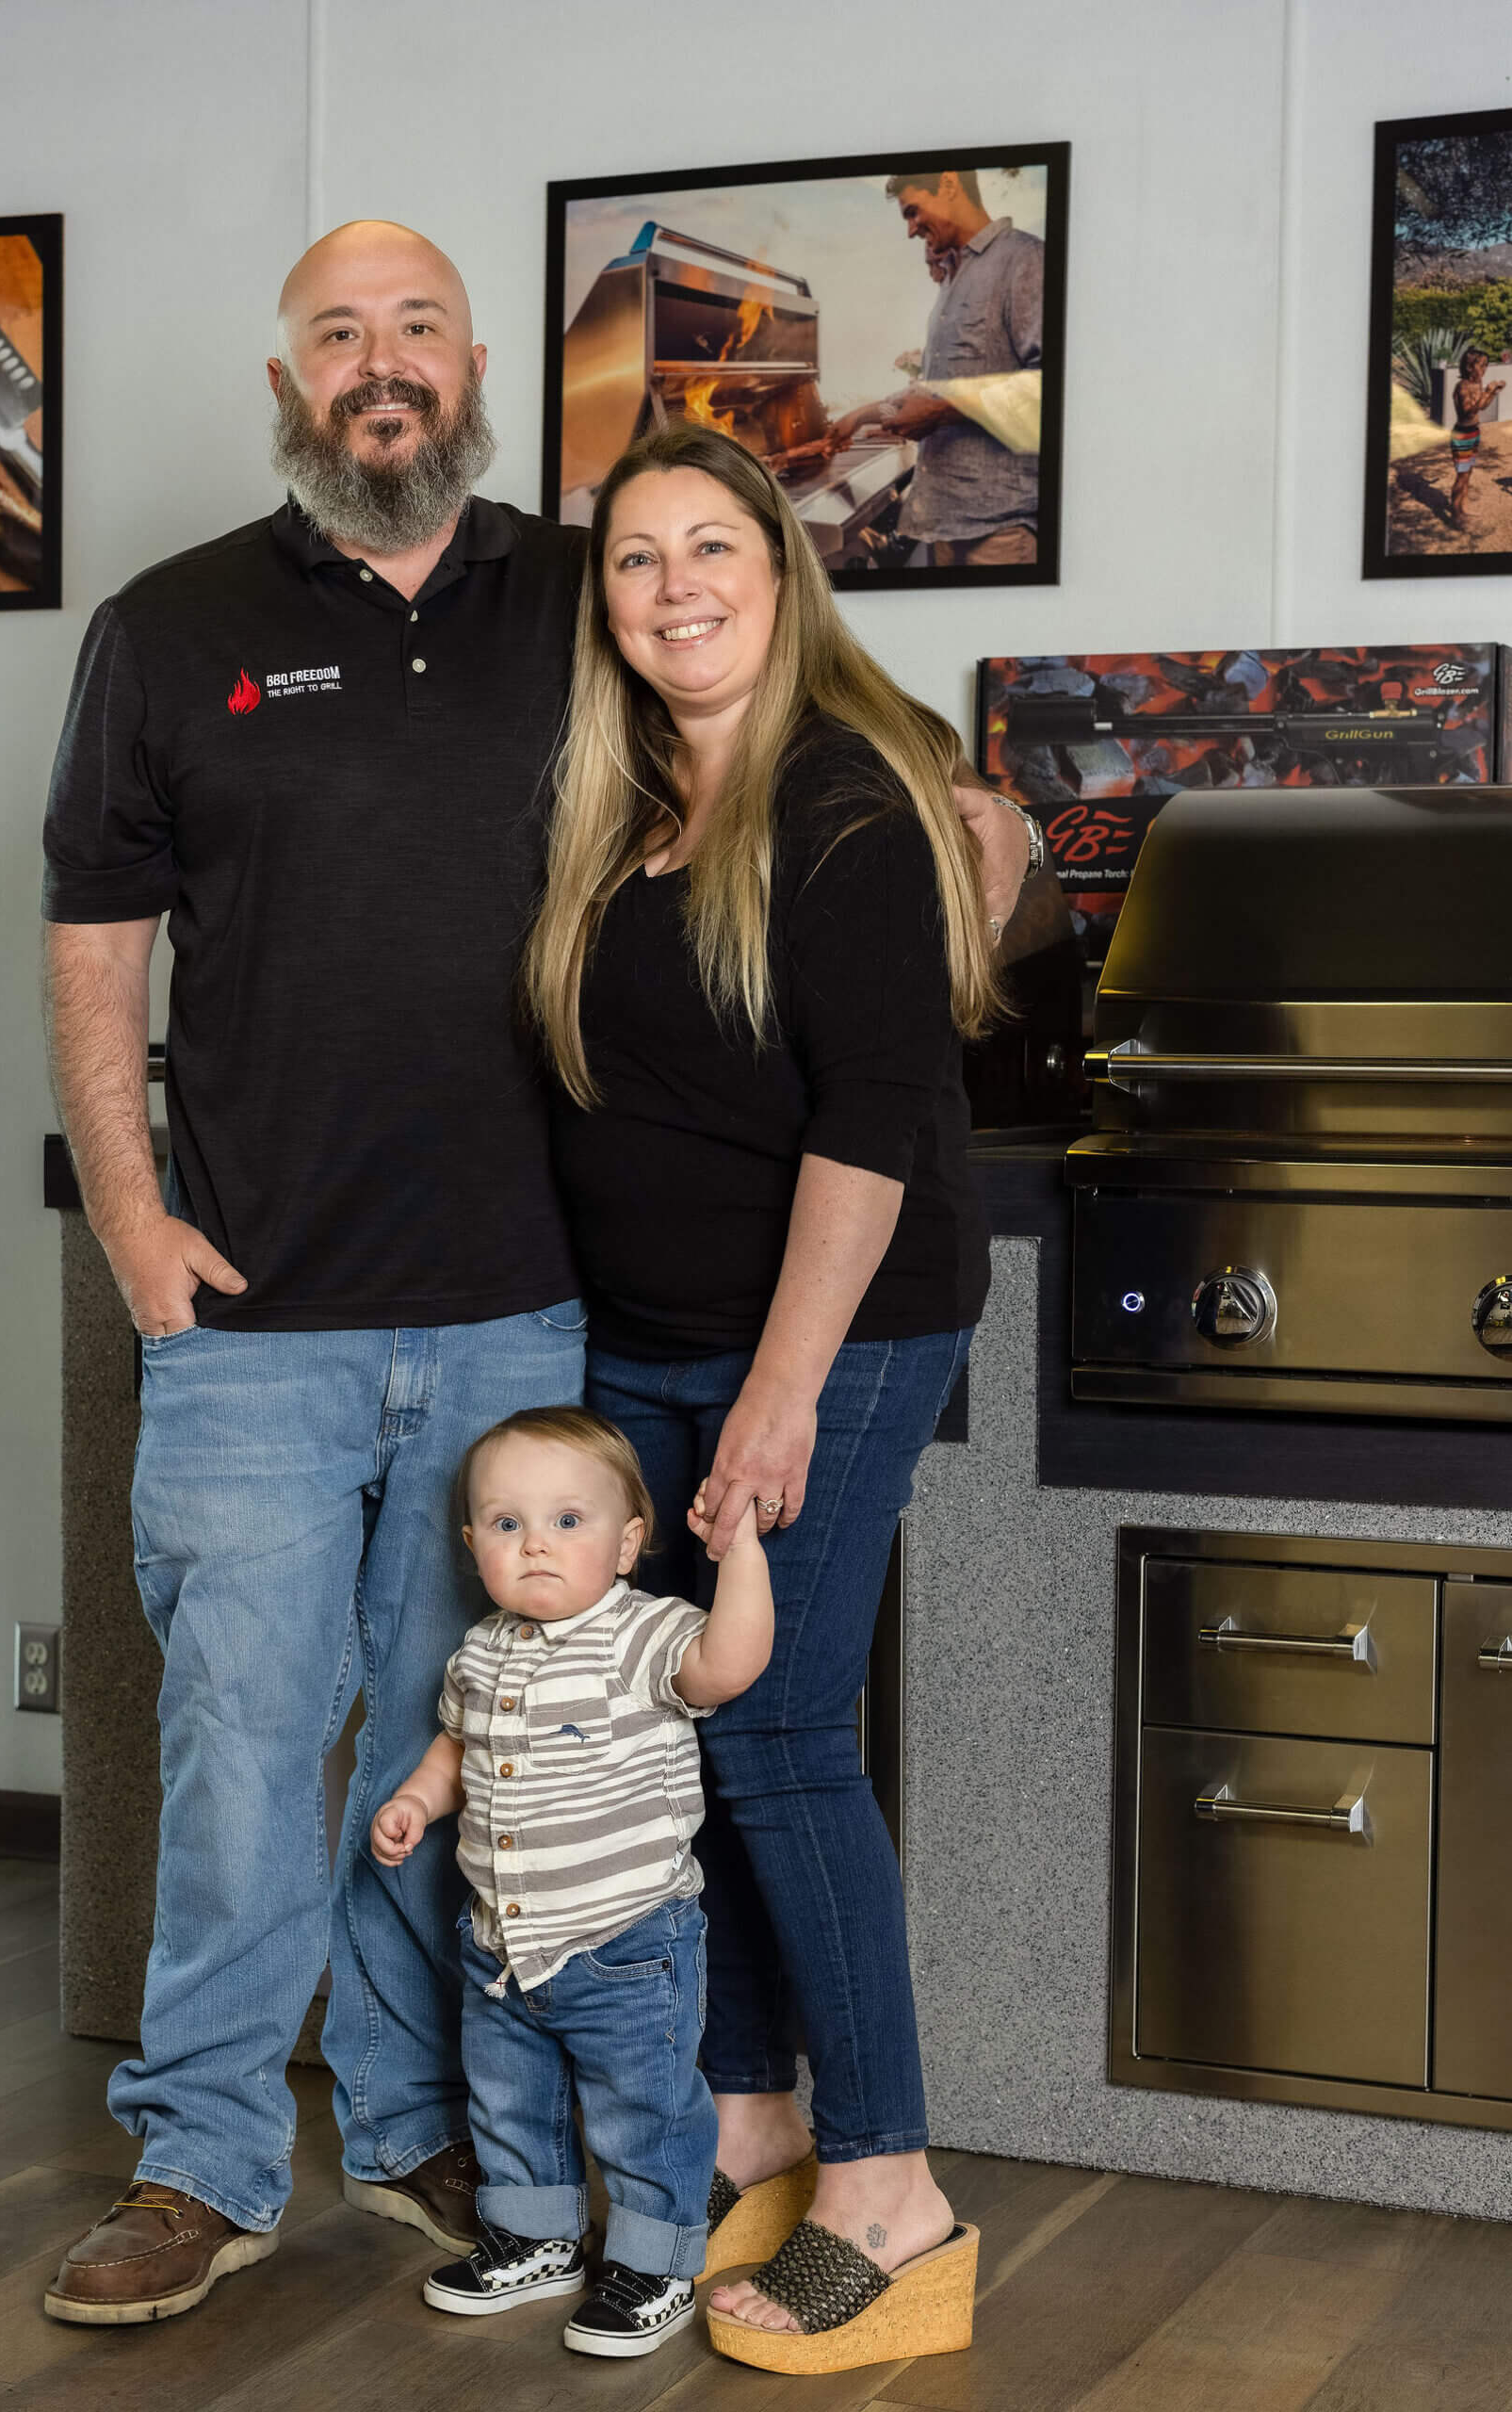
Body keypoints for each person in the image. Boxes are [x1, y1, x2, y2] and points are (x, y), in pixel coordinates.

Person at [39, 218, 1032, 2330]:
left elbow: (834, 744)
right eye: (336, 334)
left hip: (525, 1318)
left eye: (414, 329)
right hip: (260, 1313)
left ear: (475, 364)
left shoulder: (560, 602)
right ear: (285, 374)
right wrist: (130, 1220)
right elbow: (91, 938)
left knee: (486, 1739)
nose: (377, 365)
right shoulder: (165, 624)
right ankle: (200, 2155)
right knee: (239, 1745)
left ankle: (420, 2134)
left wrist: (977, 821)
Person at [526, 420, 992, 2372]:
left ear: (779, 571)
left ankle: (891, 2193)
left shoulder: (848, 801)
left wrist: (779, 1392)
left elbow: (873, 1119)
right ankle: (748, 2119)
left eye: (710, 546)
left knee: (780, 1727)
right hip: (642, 1339)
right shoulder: (615, 810)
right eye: (634, 559)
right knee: (689, 1726)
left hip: (828, 1336)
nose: (673, 587)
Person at [371, 1405, 772, 2357]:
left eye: (566, 1521)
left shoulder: (642, 1635)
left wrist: (741, 1551)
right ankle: (536, 2234)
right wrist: (419, 1803)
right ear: (473, 1545)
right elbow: (457, 1747)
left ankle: (652, 2261)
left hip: (626, 1941)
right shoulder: (480, 1652)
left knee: (645, 2108)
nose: (535, 1545)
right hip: (502, 1942)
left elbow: (728, 1663)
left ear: (629, 1543)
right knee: (507, 2099)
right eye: (506, 1524)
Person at [829, 167, 1044, 568]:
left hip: (998, 533)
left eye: (913, 211)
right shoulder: (952, 280)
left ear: (948, 182)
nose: (911, 230)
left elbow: (1050, 389)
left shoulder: (1024, 260)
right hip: (943, 525)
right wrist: (859, 417)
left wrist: (941, 412)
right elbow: (932, 392)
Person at [1450, 346, 1504, 523]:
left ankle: (1462, 508)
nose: (1485, 369)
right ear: (1469, 367)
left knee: (1468, 473)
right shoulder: (1463, 386)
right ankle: (1456, 514)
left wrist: (1493, 393)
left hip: (1474, 432)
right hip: (1463, 435)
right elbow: (1467, 411)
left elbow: (1482, 406)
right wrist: (1488, 392)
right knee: (1462, 475)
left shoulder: (1476, 384)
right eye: (1481, 365)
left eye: (1486, 365)